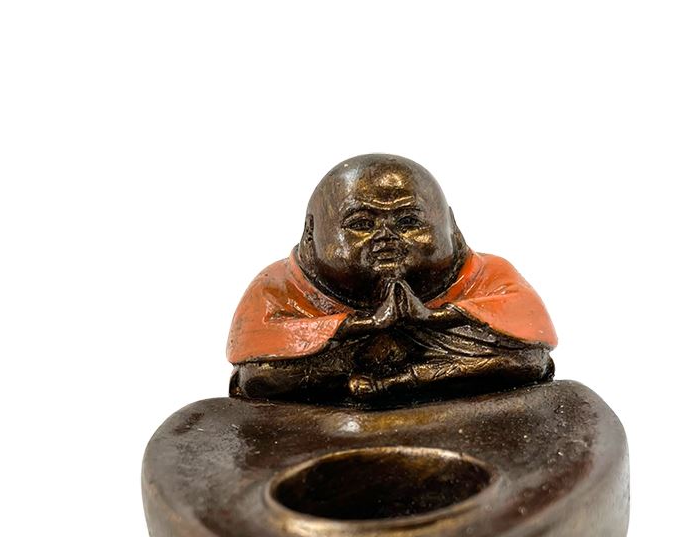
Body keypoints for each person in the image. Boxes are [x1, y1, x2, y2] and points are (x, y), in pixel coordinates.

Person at [227, 154, 557, 404]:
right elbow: (256, 345)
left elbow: (529, 324)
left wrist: (434, 317)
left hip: (439, 351)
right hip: (344, 355)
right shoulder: (278, 285)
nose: (386, 237)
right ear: (310, 235)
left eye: (408, 222)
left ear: (451, 227)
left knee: (526, 360)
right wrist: (363, 325)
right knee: (263, 376)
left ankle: (409, 381)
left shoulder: (485, 272)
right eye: (361, 224)